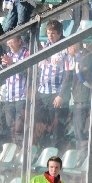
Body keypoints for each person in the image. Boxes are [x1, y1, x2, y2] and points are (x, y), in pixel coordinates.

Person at [36, 20, 71, 151]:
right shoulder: (45, 47)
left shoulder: (65, 48)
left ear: (60, 33)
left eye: (53, 33)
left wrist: (61, 95)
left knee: (56, 128)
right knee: (41, 127)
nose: (50, 36)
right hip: (43, 92)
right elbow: (40, 69)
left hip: (56, 93)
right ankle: (41, 154)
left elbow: (68, 74)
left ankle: (57, 157)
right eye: (48, 33)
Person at [62, 41, 92, 161]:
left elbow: (85, 75)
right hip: (78, 98)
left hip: (83, 98)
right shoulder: (74, 59)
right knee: (77, 132)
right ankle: (79, 158)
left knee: (81, 132)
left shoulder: (86, 56)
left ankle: (82, 159)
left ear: (73, 47)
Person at [0, 35, 30, 145]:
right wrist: (3, 66)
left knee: (19, 127)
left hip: (22, 95)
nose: (10, 45)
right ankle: (13, 147)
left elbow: (29, 71)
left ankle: (21, 149)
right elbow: (0, 74)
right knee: (10, 125)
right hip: (9, 96)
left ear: (19, 41)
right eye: (8, 43)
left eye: (12, 42)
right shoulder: (9, 55)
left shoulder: (27, 53)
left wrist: (12, 63)